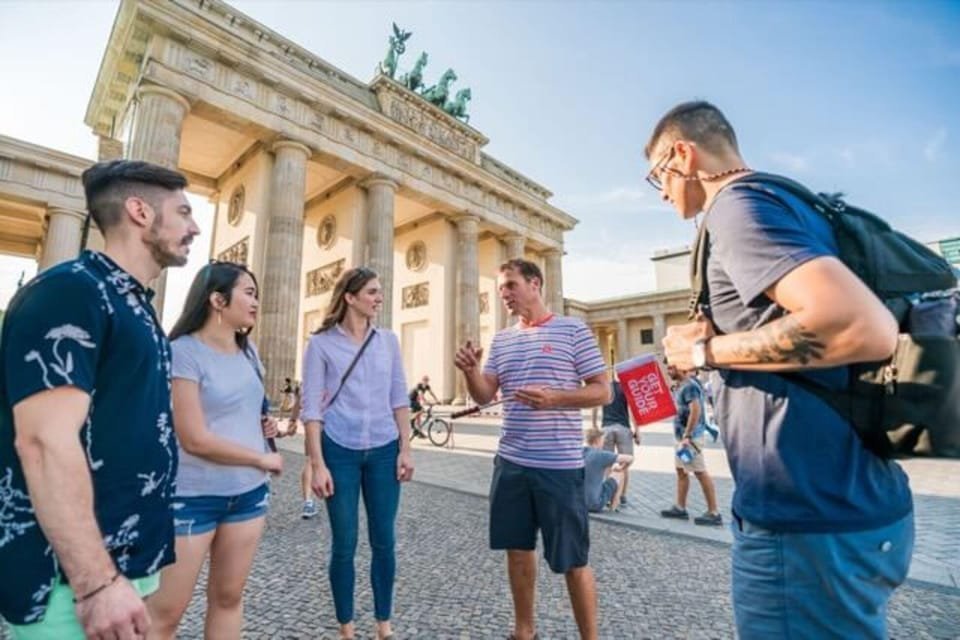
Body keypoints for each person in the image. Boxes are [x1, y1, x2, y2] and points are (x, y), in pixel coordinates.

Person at [646, 101, 913, 638]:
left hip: (809, 523)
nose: (660, 191)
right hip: (850, 503)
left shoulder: (736, 209)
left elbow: (860, 327)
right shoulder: (787, 201)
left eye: (657, 175)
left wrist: (705, 354)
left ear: (683, 153)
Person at [0, 160, 199, 638]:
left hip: (127, 564)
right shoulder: (71, 293)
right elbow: (44, 443)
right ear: (139, 212)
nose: (194, 227)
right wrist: (95, 584)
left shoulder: (134, 304)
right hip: (71, 584)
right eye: (184, 212)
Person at [454, 258, 610, 640]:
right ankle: (524, 632)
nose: (503, 294)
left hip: (559, 466)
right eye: (501, 288)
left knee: (573, 560)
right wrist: (471, 372)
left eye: (510, 285)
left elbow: (603, 390)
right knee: (517, 550)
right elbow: (486, 393)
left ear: (535, 283)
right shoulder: (503, 339)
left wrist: (555, 398)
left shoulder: (573, 330)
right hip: (511, 463)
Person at [146, 261, 283, 639]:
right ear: (217, 300)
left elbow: (243, 412)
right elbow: (193, 437)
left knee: (228, 598)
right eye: (249, 293)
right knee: (166, 613)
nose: (257, 301)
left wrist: (263, 429)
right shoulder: (183, 352)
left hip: (247, 494)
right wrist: (259, 457)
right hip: (192, 497)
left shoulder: (249, 351)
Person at [301, 266, 414, 640]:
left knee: (384, 540)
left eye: (380, 291)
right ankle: (346, 627)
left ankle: (384, 623)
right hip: (339, 450)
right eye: (371, 292)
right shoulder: (320, 344)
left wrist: (406, 448)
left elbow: (399, 397)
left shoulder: (389, 341)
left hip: (383, 449)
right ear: (349, 297)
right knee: (344, 543)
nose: (379, 298)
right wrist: (317, 464)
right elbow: (312, 411)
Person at [659, 365, 722, 526]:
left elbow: (696, 411)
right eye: (668, 367)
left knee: (700, 472)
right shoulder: (680, 386)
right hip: (681, 438)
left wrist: (687, 436)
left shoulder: (690, 386)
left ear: (683, 368)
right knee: (681, 470)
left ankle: (714, 512)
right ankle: (680, 508)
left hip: (690, 439)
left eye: (672, 368)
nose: (668, 370)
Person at [599, 378, 638, 508]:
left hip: (606, 428)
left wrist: (595, 425)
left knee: (607, 464)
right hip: (623, 428)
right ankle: (622, 496)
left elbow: (595, 407)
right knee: (624, 464)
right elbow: (633, 410)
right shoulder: (625, 387)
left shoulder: (604, 387)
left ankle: (609, 495)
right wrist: (637, 430)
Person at [583, 429, 632, 513]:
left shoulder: (580, 451)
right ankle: (613, 509)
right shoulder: (601, 454)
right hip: (594, 504)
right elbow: (630, 458)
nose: (603, 443)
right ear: (597, 440)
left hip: (578, 503)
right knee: (620, 472)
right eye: (603, 440)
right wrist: (620, 468)